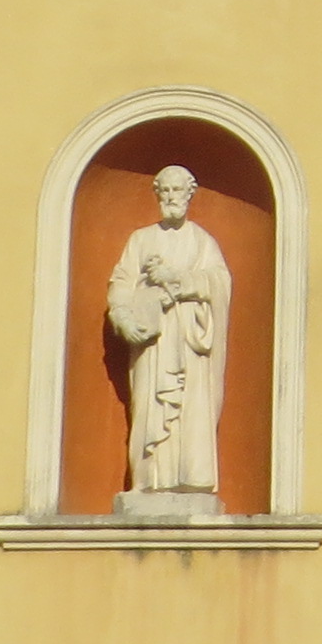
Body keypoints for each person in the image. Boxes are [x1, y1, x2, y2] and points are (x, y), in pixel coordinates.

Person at [105, 165, 232, 498]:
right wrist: (123, 318)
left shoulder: (202, 241)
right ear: (158, 194)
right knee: (149, 407)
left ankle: (192, 480)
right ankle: (148, 482)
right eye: (166, 191)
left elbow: (219, 283)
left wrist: (175, 278)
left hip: (190, 344)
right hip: (154, 344)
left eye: (178, 191)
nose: (172, 197)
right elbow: (121, 283)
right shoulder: (141, 240)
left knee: (190, 410)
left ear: (190, 195)